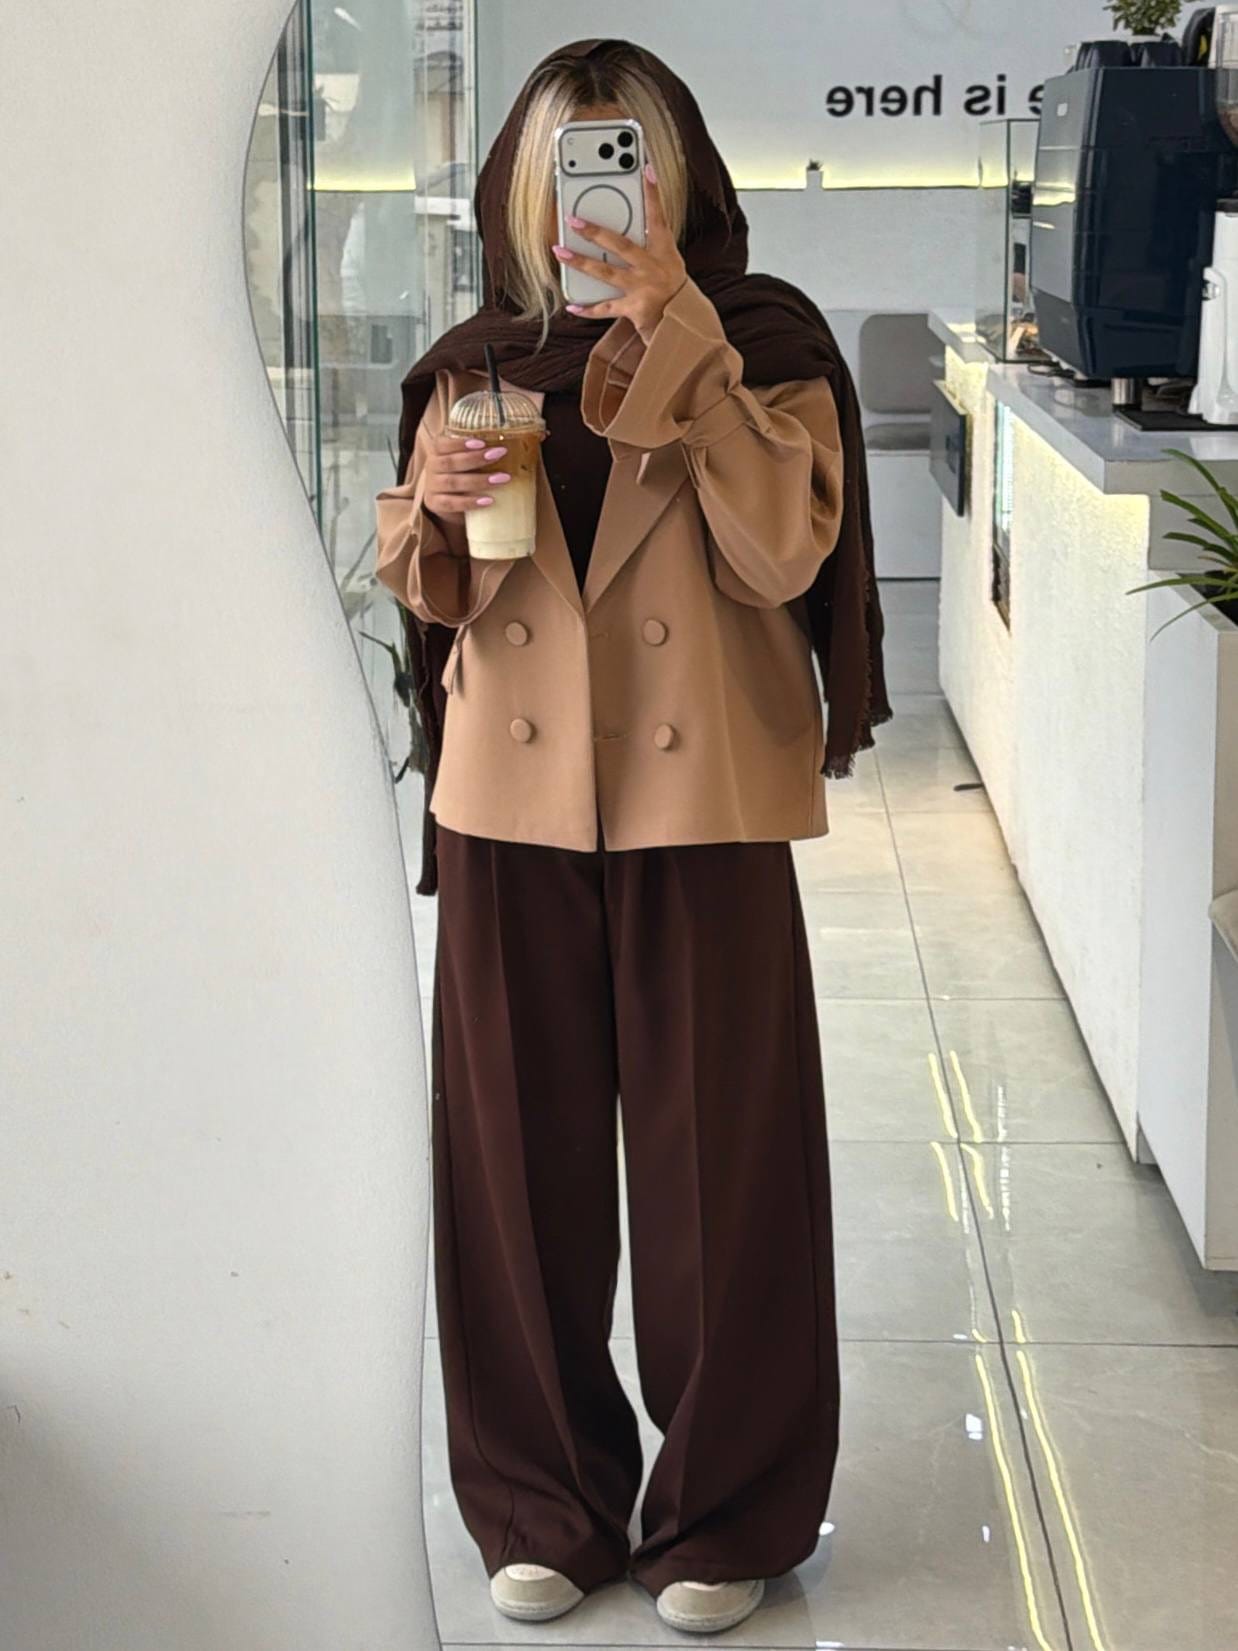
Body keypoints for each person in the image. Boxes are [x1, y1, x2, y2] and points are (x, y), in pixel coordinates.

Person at [374, 36, 890, 1639]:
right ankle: (541, 1501)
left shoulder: (762, 339)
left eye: (626, 160)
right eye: (566, 164)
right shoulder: (474, 356)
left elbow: (781, 550)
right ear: (517, 190)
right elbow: (437, 592)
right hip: (510, 798)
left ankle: (726, 1508)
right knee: (509, 1176)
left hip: (699, 801)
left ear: (680, 180)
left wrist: (678, 334)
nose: (596, 196)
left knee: (722, 1172)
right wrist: (431, 504)